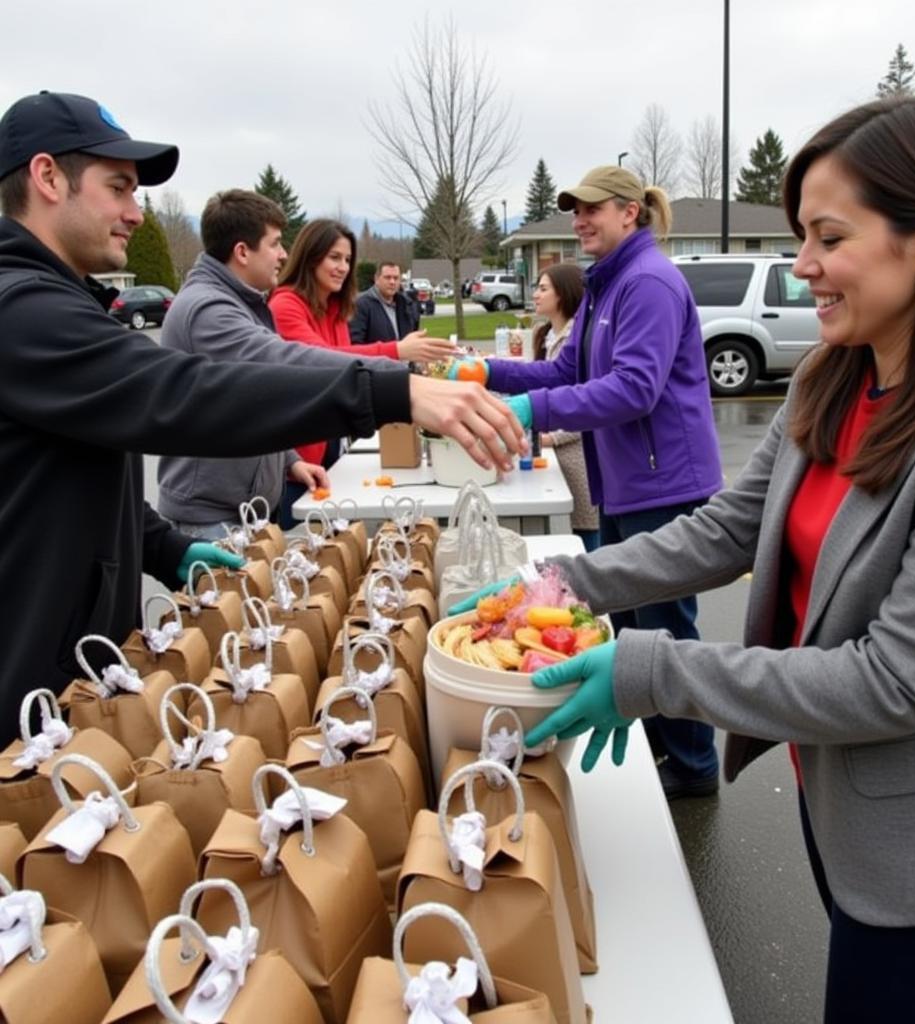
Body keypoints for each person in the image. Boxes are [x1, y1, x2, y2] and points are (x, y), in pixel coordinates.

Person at [517, 96, 915, 1021]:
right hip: (840, 795)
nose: (803, 268)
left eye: (828, 237)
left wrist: (650, 669)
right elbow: (725, 531)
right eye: (801, 237)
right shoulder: (841, 374)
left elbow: (898, 682)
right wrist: (554, 584)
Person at [0, 90, 525, 749]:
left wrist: (162, 545)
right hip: (25, 711)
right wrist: (395, 389)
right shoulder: (20, 310)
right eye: (119, 188)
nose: (137, 213)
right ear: (48, 177)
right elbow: (179, 392)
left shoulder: (57, 304)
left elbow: (73, 468)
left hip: (77, 687)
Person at [451, 165, 724, 799]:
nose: (579, 220)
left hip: (665, 484)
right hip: (627, 483)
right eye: (574, 210)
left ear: (630, 213)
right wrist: (487, 371)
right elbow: (566, 369)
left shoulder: (649, 282)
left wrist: (532, 413)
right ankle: (659, 750)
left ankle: (691, 767)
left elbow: (635, 388)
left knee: (662, 627)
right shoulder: (608, 284)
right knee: (630, 626)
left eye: (592, 209)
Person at [157, 191, 331, 538]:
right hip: (211, 520)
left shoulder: (241, 302)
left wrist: (290, 461)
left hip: (244, 513)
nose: (284, 254)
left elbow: (251, 406)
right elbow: (285, 367)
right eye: (276, 244)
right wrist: (398, 384)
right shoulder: (208, 311)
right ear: (242, 252)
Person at [268, 224, 455, 524]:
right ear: (310, 257)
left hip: (330, 445)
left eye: (347, 260)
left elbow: (348, 376)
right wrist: (397, 351)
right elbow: (329, 363)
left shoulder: (335, 308)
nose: (342, 267)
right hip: (295, 460)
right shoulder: (285, 304)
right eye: (334, 258)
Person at [530, 264, 599, 551]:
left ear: (564, 294)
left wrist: (549, 437)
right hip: (558, 454)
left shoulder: (576, 339)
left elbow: (587, 406)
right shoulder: (546, 335)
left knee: (589, 536)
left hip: (579, 456)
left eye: (543, 288)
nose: (535, 294)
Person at [350, 260, 433, 350]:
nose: (392, 282)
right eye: (387, 277)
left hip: (404, 362)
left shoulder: (406, 304)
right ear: (376, 279)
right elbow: (355, 345)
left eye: (396, 278)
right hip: (377, 362)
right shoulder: (361, 304)